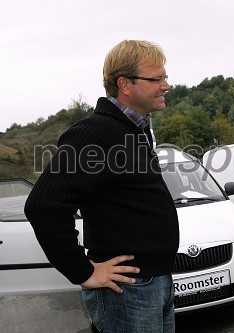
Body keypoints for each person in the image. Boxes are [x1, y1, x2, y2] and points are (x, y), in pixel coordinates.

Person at [24, 40, 179, 332]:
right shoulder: (96, 133)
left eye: (165, 77)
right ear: (125, 84)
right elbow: (44, 205)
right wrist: (82, 271)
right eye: (157, 79)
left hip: (155, 283)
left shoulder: (136, 128)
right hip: (128, 292)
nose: (166, 85)